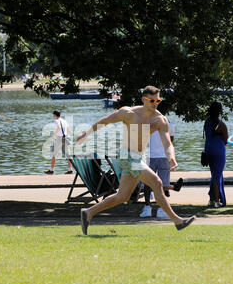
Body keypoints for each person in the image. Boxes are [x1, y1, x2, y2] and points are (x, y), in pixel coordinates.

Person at [76, 86, 195, 235]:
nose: (156, 103)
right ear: (144, 100)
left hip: (140, 157)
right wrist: (86, 134)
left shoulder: (160, 120)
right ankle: (178, 221)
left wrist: (171, 156)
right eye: (152, 100)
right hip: (127, 155)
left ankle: (88, 212)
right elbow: (105, 121)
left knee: (123, 196)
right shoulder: (128, 113)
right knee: (157, 183)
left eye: (158, 100)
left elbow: (167, 143)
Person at [140, 103, 183, 218]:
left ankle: (147, 207)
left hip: (150, 157)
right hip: (164, 157)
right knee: (164, 183)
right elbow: (170, 143)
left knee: (148, 183)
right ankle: (161, 209)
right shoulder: (170, 125)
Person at [203, 102, 228, 208]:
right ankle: (217, 200)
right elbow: (226, 140)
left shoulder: (206, 122)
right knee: (217, 175)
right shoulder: (221, 124)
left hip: (208, 149)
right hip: (219, 150)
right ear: (219, 111)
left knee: (214, 174)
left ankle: (212, 199)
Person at [44, 110, 73, 174]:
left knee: (53, 154)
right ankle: (70, 169)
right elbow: (69, 130)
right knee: (68, 154)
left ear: (55, 115)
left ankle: (51, 170)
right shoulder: (64, 121)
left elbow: (59, 127)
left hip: (59, 138)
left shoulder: (56, 121)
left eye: (53, 115)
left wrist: (54, 135)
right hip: (66, 138)